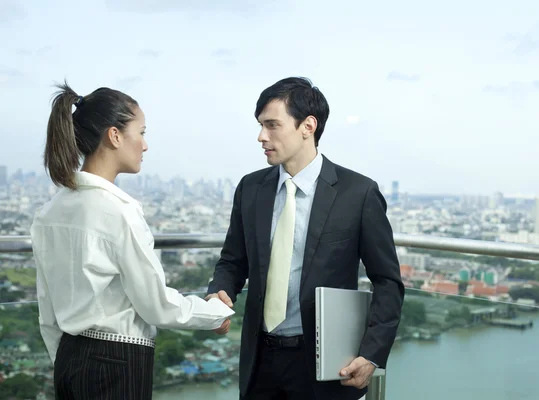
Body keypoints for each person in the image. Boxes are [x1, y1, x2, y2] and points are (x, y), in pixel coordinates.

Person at [31, 82, 235, 399]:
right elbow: (155, 305)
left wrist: (65, 361)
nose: (145, 144)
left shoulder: (49, 212)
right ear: (114, 136)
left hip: (68, 360)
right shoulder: (118, 211)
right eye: (141, 132)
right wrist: (214, 312)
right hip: (118, 363)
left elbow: (47, 309)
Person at [206, 77, 405, 400]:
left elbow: (387, 282)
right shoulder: (251, 188)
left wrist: (371, 356)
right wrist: (218, 292)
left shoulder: (358, 193)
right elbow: (233, 260)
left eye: (272, 125)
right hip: (259, 362)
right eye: (260, 125)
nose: (261, 136)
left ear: (307, 126)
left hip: (326, 366)